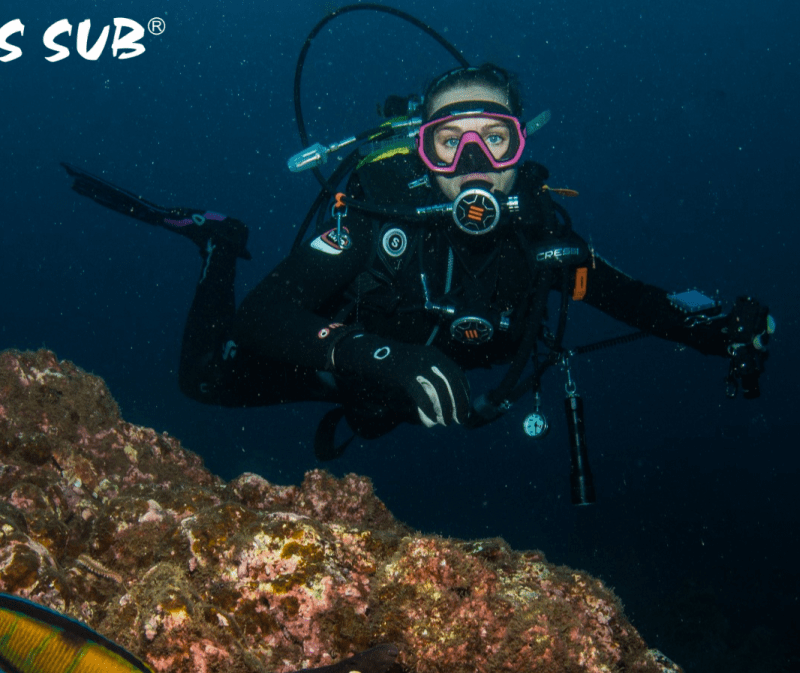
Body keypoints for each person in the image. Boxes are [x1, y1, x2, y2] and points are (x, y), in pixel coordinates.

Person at [62, 63, 773, 460]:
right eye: (447, 144)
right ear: (421, 154)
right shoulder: (375, 212)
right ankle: (219, 243)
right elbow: (263, 314)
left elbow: (643, 304)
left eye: (494, 141)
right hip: (349, 368)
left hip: (388, 398)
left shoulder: (544, 243)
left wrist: (723, 331)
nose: (471, 165)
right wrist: (371, 354)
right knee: (204, 381)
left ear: (520, 150)